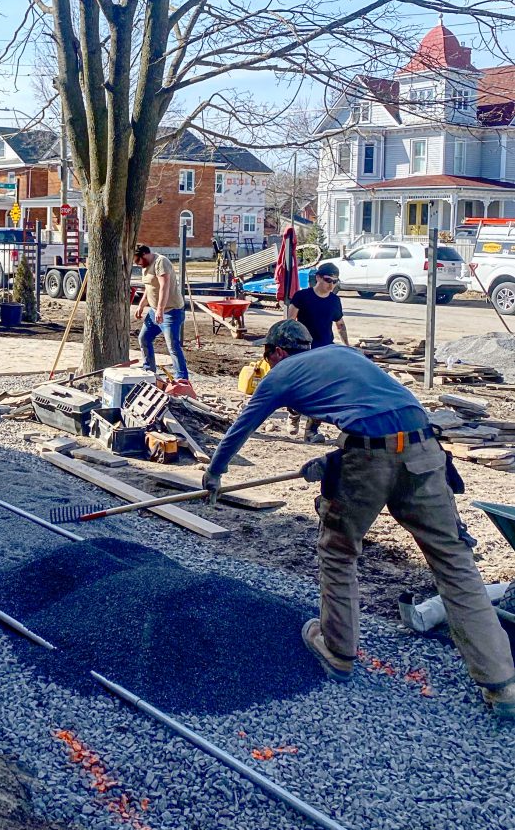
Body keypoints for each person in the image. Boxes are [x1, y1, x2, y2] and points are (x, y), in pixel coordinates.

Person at [201, 319, 515, 720]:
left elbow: (240, 428)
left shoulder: (279, 374)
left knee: (338, 549)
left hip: (371, 455)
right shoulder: (344, 355)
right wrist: (334, 461)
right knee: (456, 566)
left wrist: (215, 474)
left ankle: (338, 651)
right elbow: (377, 415)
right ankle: (502, 684)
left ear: (276, 352)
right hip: (425, 448)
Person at [286, 261, 349, 444]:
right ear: (318, 278)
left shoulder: (334, 301)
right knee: (298, 387)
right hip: (303, 349)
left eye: (335, 282)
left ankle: (311, 430)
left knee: (322, 391)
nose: (331, 285)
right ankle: (294, 414)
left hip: (325, 350)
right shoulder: (302, 297)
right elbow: (290, 321)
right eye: (328, 280)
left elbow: (340, 324)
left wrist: (347, 345)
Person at [132, 243, 191, 389]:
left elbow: (164, 286)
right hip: (154, 311)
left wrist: (160, 308)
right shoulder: (146, 266)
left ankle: (182, 378)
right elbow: (149, 287)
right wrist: (141, 305)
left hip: (171, 312)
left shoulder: (161, 262)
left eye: (137, 260)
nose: (137, 264)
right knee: (144, 338)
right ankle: (149, 370)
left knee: (172, 345)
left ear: (144, 254)